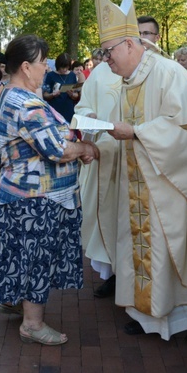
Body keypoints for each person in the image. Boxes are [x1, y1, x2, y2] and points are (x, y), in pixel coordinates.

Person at [96, 0, 187, 339]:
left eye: (110, 52)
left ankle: (175, 317)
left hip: (168, 183)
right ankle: (146, 313)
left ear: (132, 46)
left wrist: (135, 131)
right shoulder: (126, 82)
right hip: (137, 181)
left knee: (168, 249)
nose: (106, 59)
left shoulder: (167, 73)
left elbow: (185, 128)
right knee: (137, 245)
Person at [0, 34, 98, 346]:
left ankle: (16, 301)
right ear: (27, 67)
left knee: (19, 254)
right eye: (44, 64)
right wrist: (84, 146)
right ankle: (32, 324)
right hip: (37, 198)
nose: (48, 69)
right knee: (36, 259)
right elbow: (56, 150)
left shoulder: (10, 94)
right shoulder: (26, 103)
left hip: (22, 194)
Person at [74, 57, 121, 299]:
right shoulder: (101, 71)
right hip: (103, 153)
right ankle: (112, 274)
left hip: (135, 158)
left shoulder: (155, 70)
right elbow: (81, 107)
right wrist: (89, 114)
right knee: (106, 212)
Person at [42, 53, 78, 123]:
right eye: (62, 67)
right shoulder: (51, 75)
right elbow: (45, 95)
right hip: (55, 110)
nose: (64, 70)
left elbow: (76, 95)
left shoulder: (72, 75)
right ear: (58, 65)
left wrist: (72, 94)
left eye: (67, 67)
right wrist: (52, 95)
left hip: (69, 110)